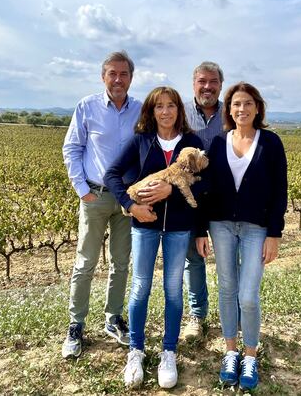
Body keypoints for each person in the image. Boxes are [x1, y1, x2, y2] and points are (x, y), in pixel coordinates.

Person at [104, 86, 206, 389]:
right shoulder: (141, 140)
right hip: (145, 226)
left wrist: (172, 190)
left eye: (171, 105)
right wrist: (130, 204)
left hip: (178, 228)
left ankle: (168, 352)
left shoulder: (192, 143)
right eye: (159, 106)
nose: (165, 111)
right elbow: (112, 174)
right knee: (140, 287)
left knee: (173, 289)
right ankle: (136, 351)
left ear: (179, 110)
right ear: (151, 111)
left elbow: (205, 185)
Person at [196, 82, 287, 391]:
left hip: (255, 228)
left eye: (248, 103)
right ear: (229, 109)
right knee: (226, 288)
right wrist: (200, 230)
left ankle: (250, 354)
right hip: (220, 225)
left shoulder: (271, 143)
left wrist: (274, 233)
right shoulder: (218, 142)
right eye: (236, 104)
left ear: (257, 108)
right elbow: (204, 189)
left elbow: (279, 191)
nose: (242, 109)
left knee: (247, 295)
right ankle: (231, 351)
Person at [61, 51, 142, 359]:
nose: (118, 79)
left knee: (121, 262)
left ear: (131, 78)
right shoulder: (87, 106)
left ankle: (113, 318)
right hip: (94, 195)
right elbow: (72, 147)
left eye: (123, 74)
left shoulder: (140, 110)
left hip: (126, 198)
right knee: (85, 263)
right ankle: (76, 324)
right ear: (103, 76)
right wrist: (82, 189)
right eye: (112, 73)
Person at [181, 61, 224, 340]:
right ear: (193, 83)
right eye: (201, 81)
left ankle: (235, 315)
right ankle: (197, 316)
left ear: (221, 85)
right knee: (193, 260)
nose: (207, 87)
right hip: (191, 199)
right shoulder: (181, 112)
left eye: (213, 82)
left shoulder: (231, 112)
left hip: (224, 199)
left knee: (232, 259)